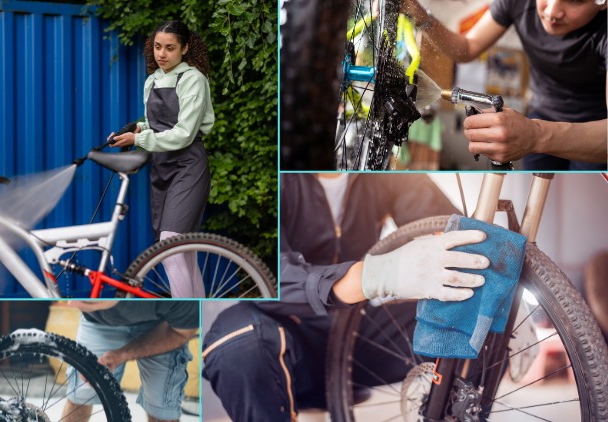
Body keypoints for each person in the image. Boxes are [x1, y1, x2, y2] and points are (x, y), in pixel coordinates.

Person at [202, 173, 490, 421]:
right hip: (285, 328)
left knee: (479, 319)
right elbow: (265, 271)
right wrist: (368, 277)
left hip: (358, 333)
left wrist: (492, 286)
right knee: (236, 343)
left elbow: (448, 226)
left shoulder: (380, 165)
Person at [403, 0, 607, 170]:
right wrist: (420, 15)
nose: (552, 11)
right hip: (540, 113)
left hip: (593, 132)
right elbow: (467, 47)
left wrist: (535, 136)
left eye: (575, 0)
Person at [0, 300, 199, 422]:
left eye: (82, 301)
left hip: (162, 325)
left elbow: (180, 332)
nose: (72, 305)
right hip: (99, 322)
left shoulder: (177, 297)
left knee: (162, 409)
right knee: (80, 395)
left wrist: (121, 354)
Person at [112, 20, 215, 297]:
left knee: (169, 249)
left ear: (185, 48)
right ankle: (200, 317)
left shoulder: (193, 79)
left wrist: (140, 139)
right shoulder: (152, 81)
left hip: (188, 166)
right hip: (161, 167)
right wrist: (137, 129)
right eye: (158, 47)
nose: (162, 54)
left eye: (170, 48)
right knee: (185, 253)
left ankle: (184, 314)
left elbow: (183, 133)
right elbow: (155, 123)